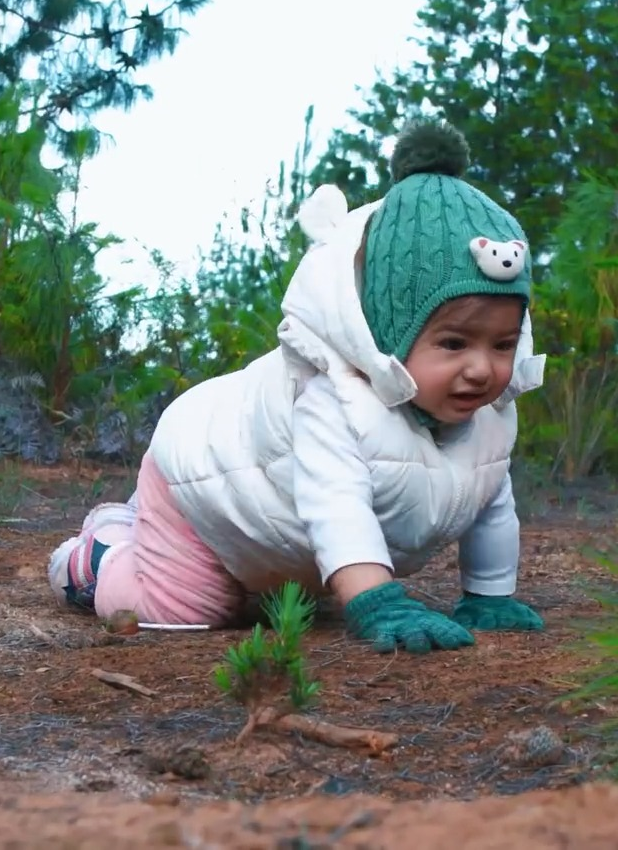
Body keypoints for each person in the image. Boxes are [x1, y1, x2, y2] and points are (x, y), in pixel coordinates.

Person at [48, 118, 547, 654]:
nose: (481, 369)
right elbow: (338, 506)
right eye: (453, 344)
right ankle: (100, 551)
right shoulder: (338, 402)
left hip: (275, 534)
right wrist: (375, 599)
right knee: (184, 611)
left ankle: (215, 563)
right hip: (201, 488)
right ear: (387, 336)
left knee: (284, 605)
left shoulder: (490, 419)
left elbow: (490, 499)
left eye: (501, 345)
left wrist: (488, 594)